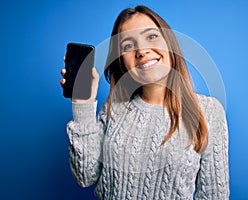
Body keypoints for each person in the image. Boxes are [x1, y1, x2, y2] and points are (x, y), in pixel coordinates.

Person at [60, 5, 229, 200]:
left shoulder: (209, 111)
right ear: (122, 61)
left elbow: (214, 195)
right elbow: (85, 176)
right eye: (128, 46)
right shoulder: (113, 108)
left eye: (151, 36)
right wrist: (83, 105)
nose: (141, 51)